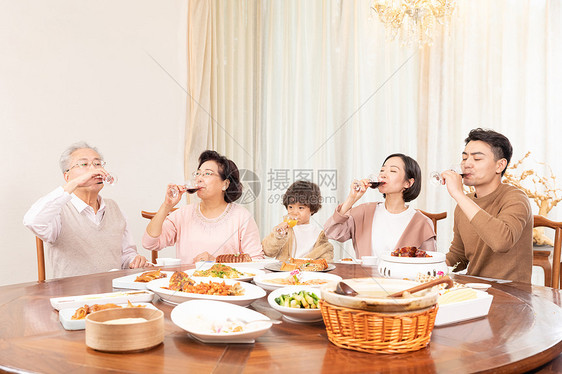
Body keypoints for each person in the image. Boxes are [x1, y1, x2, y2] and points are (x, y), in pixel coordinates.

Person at [23, 142, 149, 279]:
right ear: (67, 176)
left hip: (113, 295)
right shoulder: (59, 211)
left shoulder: (114, 208)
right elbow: (32, 221)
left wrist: (134, 260)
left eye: (97, 164)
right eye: (83, 164)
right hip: (72, 297)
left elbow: (126, 255)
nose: (93, 169)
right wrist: (76, 183)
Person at [442, 128, 532, 282]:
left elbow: (501, 243)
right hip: (475, 291)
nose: (467, 164)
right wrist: (427, 263)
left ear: (500, 165)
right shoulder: (464, 204)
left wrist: (458, 194)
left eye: (477, 159)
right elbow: (459, 256)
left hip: (512, 295)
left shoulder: (516, 198)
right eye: (464, 158)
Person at [142, 150, 264, 263]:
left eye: (207, 174)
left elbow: (256, 260)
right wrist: (166, 206)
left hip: (225, 284)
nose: (199, 178)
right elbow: (149, 243)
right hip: (187, 284)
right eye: (198, 173)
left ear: (225, 184)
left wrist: (217, 262)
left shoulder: (241, 217)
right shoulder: (183, 214)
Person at [324, 153, 436, 260]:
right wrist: (351, 199)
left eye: (393, 171)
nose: (383, 174)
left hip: (403, 280)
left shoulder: (422, 223)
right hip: (364, 279)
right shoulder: (364, 212)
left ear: (408, 183)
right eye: (382, 170)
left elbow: (430, 265)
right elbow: (330, 232)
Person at [262, 180, 334, 262]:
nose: (294, 212)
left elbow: (326, 260)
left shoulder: (319, 234)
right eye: (290, 207)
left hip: (308, 273)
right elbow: (268, 252)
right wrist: (278, 236)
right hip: (283, 272)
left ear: (312, 209)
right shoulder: (284, 230)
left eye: (301, 208)